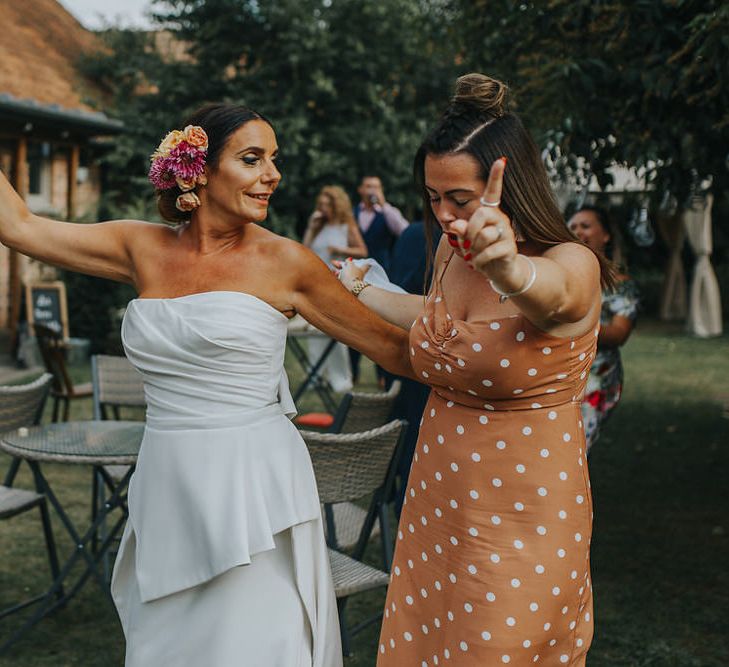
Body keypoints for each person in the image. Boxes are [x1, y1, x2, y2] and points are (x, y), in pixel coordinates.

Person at [0, 103, 413, 667]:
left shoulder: (287, 263)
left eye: (274, 160)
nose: (273, 174)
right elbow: (18, 226)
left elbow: (394, 350)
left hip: (255, 490)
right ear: (198, 169)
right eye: (252, 159)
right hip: (167, 484)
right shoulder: (139, 247)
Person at [339, 73, 613, 666]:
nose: (444, 216)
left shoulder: (572, 261)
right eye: (432, 197)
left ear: (507, 184)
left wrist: (509, 269)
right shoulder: (446, 252)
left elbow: (554, 294)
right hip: (437, 503)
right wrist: (359, 290)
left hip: (523, 518)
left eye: (459, 200)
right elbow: (443, 322)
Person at [568, 205, 639, 453]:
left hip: (597, 376)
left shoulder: (621, 285)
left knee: (576, 449)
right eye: (573, 226)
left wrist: (573, 324)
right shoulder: (563, 277)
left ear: (606, 235)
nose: (578, 231)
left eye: (585, 226)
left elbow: (619, 334)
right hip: (561, 371)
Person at [301, 185, 368, 393]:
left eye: (326, 205)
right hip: (316, 283)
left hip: (337, 282)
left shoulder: (346, 225)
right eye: (320, 204)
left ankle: (340, 378)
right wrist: (311, 228)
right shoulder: (318, 226)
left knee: (336, 333)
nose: (322, 209)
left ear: (336, 205)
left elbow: (363, 250)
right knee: (315, 330)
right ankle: (316, 375)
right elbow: (304, 249)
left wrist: (340, 249)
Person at [350, 176, 410, 385]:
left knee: (382, 322)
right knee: (354, 320)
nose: (372, 190)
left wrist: (385, 205)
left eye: (376, 186)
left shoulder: (387, 213)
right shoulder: (352, 213)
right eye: (368, 186)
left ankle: (383, 375)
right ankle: (353, 371)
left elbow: (405, 231)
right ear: (360, 189)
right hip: (355, 273)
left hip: (381, 272)